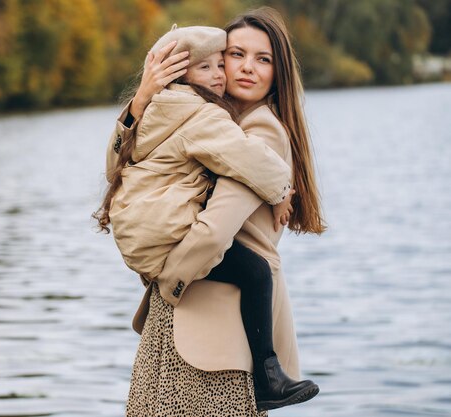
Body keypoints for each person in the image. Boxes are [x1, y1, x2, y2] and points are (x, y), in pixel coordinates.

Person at [110, 7, 325, 416]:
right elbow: (119, 169)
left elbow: (213, 231)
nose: (247, 68)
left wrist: (164, 280)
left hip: (215, 326)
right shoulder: (201, 117)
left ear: (279, 72)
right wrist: (141, 99)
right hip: (183, 319)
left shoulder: (258, 132)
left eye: (263, 59)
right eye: (236, 54)